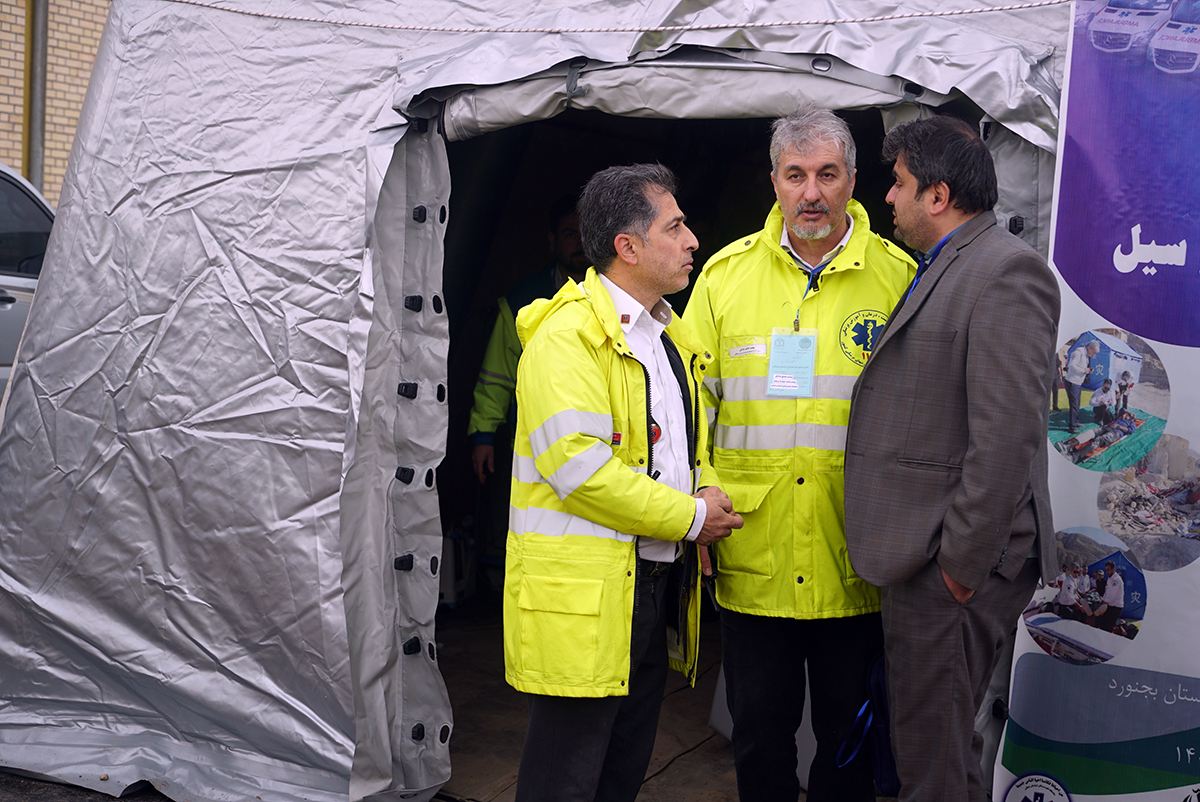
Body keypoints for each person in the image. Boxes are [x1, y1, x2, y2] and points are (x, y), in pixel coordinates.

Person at [683, 102, 915, 802]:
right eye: (795, 175)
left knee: (849, 745)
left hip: (857, 562)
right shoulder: (724, 278)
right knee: (759, 739)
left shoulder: (901, 278)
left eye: (826, 174)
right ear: (774, 182)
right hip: (754, 558)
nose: (810, 193)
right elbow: (689, 408)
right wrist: (697, 495)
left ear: (852, 180)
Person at [504, 163, 744, 802]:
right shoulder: (568, 339)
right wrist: (693, 518)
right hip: (585, 602)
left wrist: (705, 488)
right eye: (676, 227)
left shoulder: (666, 337)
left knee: (620, 773)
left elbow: (683, 446)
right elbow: (580, 471)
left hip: (649, 589)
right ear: (628, 247)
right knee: (565, 781)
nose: (693, 240)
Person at [842, 115, 1060, 802]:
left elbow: (1006, 436)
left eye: (898, 183)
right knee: (933, 753)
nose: (887, 197)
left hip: (951, 565)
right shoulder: (950, 263)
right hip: (927, 554)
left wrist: (959, 569)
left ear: (937, 196)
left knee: (931, 762)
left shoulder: (1005, 272)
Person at [468, 196, 591, 484]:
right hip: (535, 445)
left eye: (585, 233)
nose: (580, 243)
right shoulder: (520, 302)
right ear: (552, 241)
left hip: (602, 441)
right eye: (569, 235)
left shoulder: (619, 295)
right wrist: (483, 435)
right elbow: (497, 376)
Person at [1058, 410, 1138, 464]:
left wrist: (1119, 427)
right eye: (1129, 415)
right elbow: (1122, 409)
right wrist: (1130, 412)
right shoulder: (1122, 417)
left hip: (1115, 433)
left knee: (1099, 440)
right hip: (1106, 427)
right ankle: (1068, 446)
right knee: (1090, 432)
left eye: (1132, 416)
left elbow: (1130, 431)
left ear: (1134, 419)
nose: (1130, 416)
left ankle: (1074, 457)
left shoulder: (1132, 423)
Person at [1064, 339, 1098, 434]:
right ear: (1089, 347)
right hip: (1072, 382)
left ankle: (1075, 421)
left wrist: (1087, 370)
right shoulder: (1079, 352)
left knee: (1077, 404)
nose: (1093, 354)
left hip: (1078, 383)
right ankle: (1072, 427)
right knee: (1074, 405)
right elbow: (1072, 365)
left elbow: (1080, 366)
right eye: (1093, 352)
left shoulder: (1086, 355)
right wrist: (1084, 370)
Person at [1089, 561, 1124, 632]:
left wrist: (1103, 604)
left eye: (1108, 569)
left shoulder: (1116, 580)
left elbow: (1110, 596)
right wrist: (1102, 602)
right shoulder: (1110, 578)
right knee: (1101, 624)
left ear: (1113, 569)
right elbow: (1107, 593)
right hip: (1109, 606)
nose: (1106, 572)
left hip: (1115, 608)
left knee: (1107, 627)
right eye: (1106, 570)